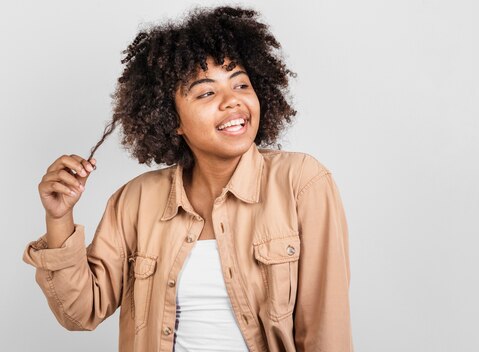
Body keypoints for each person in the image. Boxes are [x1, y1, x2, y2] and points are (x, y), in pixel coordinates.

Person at [22, 6, 352, 352]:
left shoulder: (302, 182)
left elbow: (326, 332)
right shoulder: (135, 200)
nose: (232, 101)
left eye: (241, 84)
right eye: (207, 92)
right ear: (171, 119)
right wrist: (59, 218)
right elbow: (80, 313)